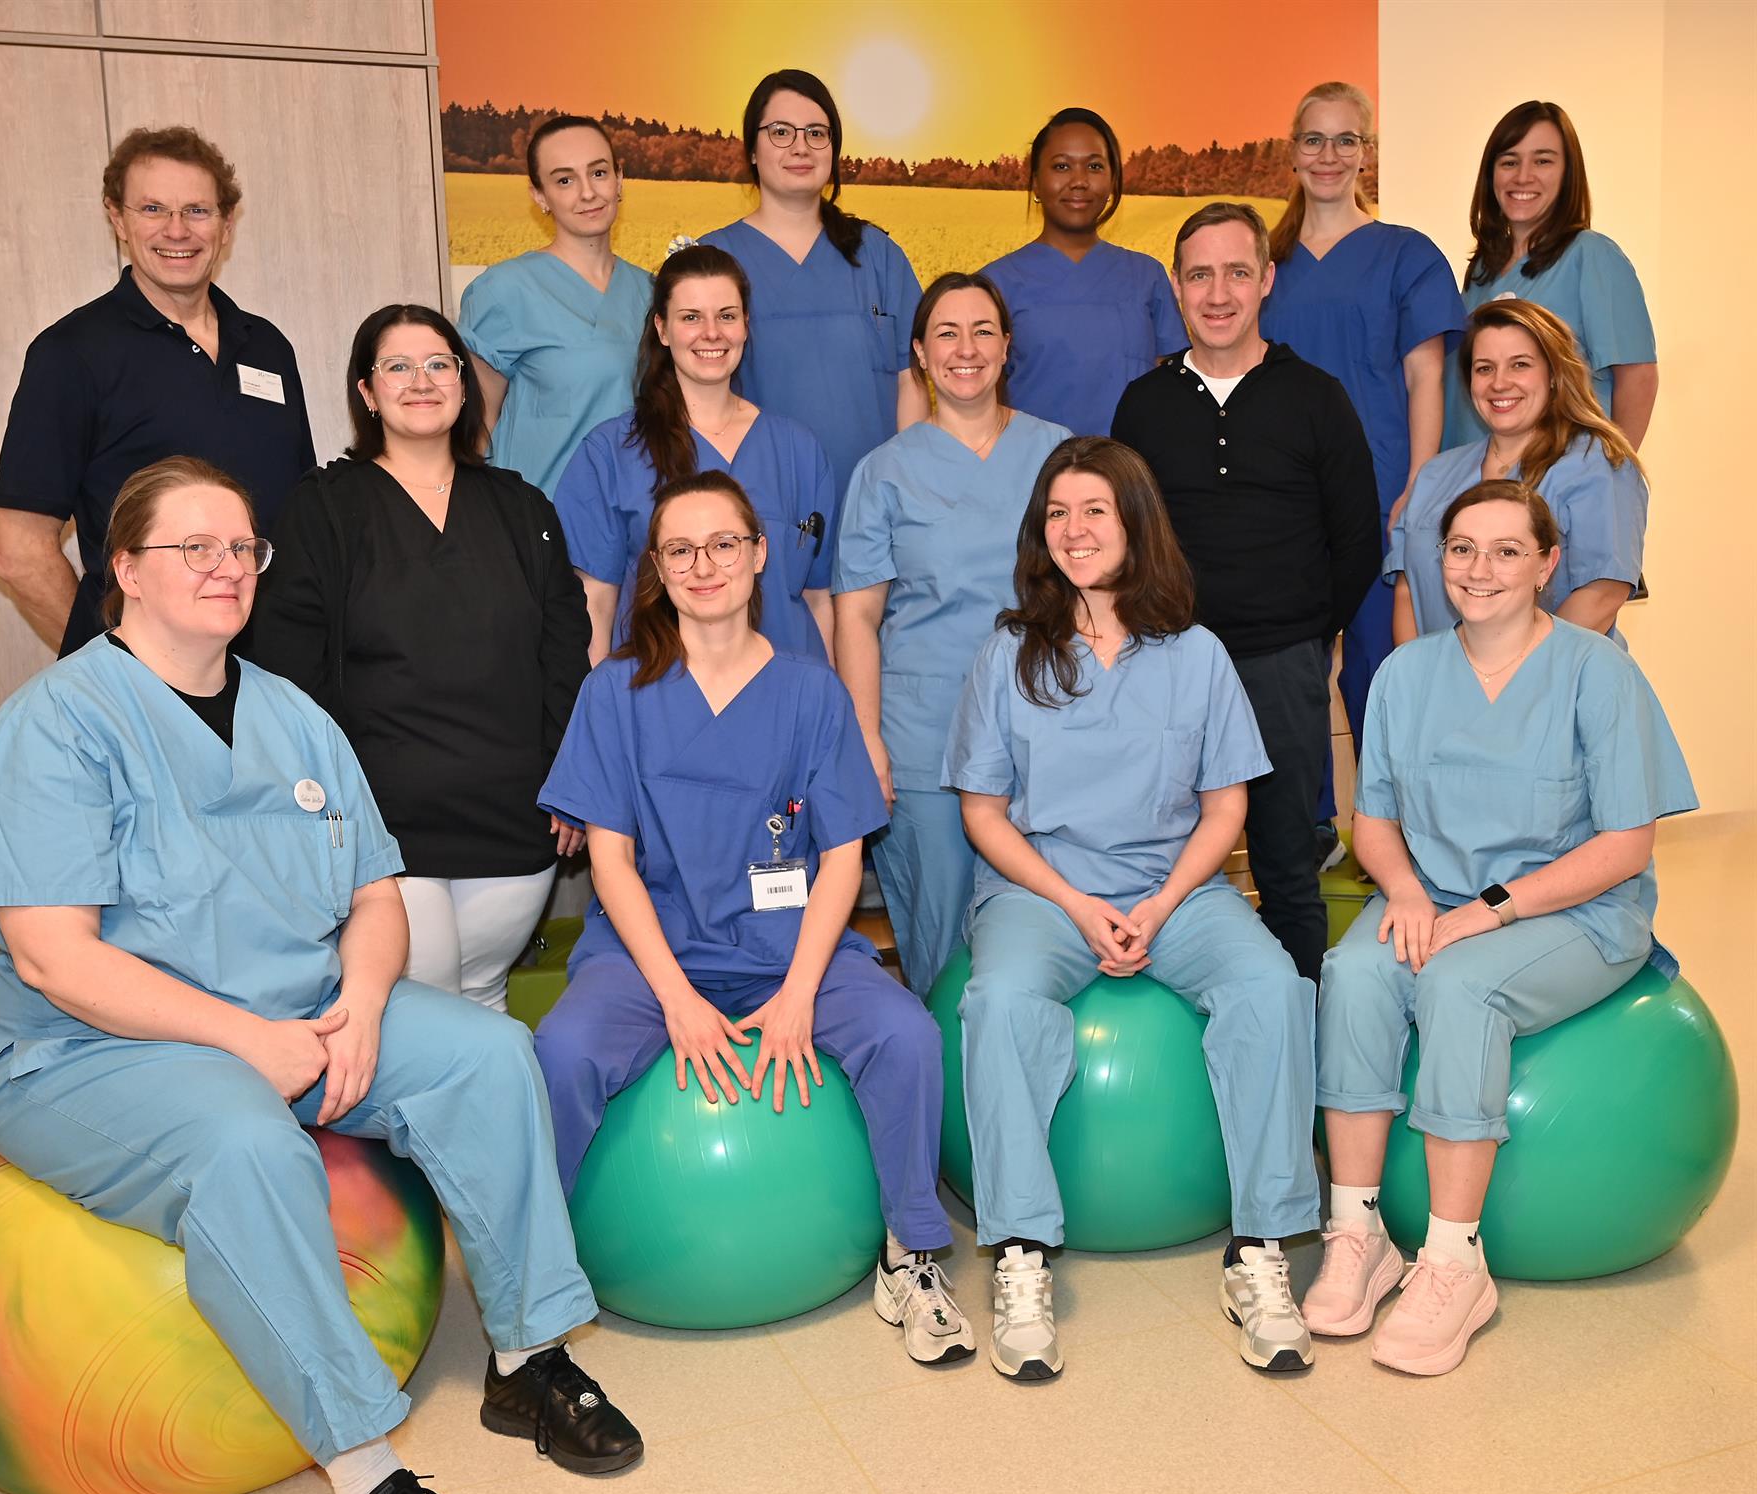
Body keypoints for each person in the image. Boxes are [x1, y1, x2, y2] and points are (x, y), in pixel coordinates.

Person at [0, 457, 642, 1494]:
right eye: (195, 547)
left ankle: (527, 1358)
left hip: (302, 1010)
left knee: (487, 1055)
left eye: (243, 547)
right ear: (123, 567)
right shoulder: (58, 722)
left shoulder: (293, 715)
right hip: (90, 1050)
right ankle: (365, 1473)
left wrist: (363, 1002)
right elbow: (53, 958)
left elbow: (375, 896)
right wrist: (245, 1039)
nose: (227, 567)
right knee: (249, 1148)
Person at [531, 471, 972, 1368]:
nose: (704, 565)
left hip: (786, 946)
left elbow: (842, 856)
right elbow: (609, 863)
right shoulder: (615, 693)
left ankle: (911, 1251)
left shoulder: (811, 693)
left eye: (724, 543)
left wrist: (802, 993)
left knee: (907, 1036)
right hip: (651, 952)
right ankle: (539, 1275)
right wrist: (678, 1001)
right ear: (657, 567)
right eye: (681, 549)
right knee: (564, 1054)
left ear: (760, 553)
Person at [947, 438, 1320, 1381]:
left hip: (1176, 889)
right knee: (998, 1003)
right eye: (1058, 514)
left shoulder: (1196, 654)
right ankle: (1021, 1253)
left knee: (1273, 989)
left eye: (1095, 512)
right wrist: (1076, 903)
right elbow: (983, 814)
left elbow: (1225, 808)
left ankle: (1259, 1249)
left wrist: (1159, 905)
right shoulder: (1009, 653)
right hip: (1043, 890)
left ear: (1135, 524)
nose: (1074, 531)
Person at [1304, 480, 1694, 1375]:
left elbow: (1626, 845)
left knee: (1459, 986)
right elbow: (1375, 819)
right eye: (1462, 548)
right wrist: (1403, 890)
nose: (1480, 569)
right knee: (1354, 974)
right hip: (1434, 899)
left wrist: (1492, 909)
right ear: (1439, 559)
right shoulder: (1405, 674)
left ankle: (1454, 1259)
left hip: (1574, 912)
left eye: (1507, 550)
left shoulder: (1597, 672)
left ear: (1547, 564)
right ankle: (1359, 1235)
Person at [249, 304, 590, 1012]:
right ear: (367, 392)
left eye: (439, 364)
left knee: (485, 998)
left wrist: (570, 778)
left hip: (512, 815)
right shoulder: (324, 508)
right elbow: (287, 668)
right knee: (427, 1008)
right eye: (397, 367)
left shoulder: (523, 509)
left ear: (464, 384)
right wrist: (322, 803)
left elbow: (564, 652)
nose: (421, 380)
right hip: (383, 822)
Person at [1112, 203, 1379, 983]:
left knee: (1288, 866)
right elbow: (1127, 540)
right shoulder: (1143, 404)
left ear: (1266, 279)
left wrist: (1304, 636)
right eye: (1200, 275)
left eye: (1237, 272)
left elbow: (1357, 541)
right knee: (1156, 859)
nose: (1218, 292)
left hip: (1281, 669)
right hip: (1167, 668)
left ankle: (1297, 1030)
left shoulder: (1318, 397)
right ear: (1176, 285)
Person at [0, 125, 315, 656]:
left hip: (277, 671)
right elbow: (18, 553)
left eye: (197, 210)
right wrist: (117, 669)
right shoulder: (70, 354)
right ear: (117, 219)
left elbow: (300, 523)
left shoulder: (268, 348)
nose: (176, 230)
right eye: (152, 209)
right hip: (149, 680)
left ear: (227, 223)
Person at [835, 273, 1072, 996]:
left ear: (1006, 346)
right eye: (946, 333)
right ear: (919, 354)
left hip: (1045, 730)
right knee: (939, 944)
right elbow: (857, 616)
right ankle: (945, 1071)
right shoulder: (884, 472)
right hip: (924, 739)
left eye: (982, 331)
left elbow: (1095, 596)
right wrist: (867, 739)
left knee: (1047, 932)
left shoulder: (1059, 456)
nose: (965, 349)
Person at [1260, 82, 1466, 867]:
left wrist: (1420, 484)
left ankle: (1394, 828)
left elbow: (1425, 377)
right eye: (1314, 139)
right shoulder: (1268, 264)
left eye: (1346, 140)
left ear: (1366, 153)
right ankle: (1310, 824)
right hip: (1288, 501)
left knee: (1384, 665)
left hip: (1382, 490)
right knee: (1295, 668)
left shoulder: (1407, 255)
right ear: (1292, 151)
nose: (1329, 155)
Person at [555, 244, 836, 664]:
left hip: (788, 690)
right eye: (691, 317)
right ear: (662, 329)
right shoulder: (610, 453)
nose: (712, 333)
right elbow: (596, 604)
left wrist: (826, 695)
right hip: (660, 689)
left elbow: (818, 599)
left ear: (745, 324)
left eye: (727, 316)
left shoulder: (799, 450)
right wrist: (598, 697)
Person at [701, 69, 925, 508]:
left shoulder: (878, 255)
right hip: (751, 506)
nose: (800, 147)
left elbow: (910, 380)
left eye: (816, 133)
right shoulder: (713, 260)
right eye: (781, 132)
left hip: (872, 505)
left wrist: (907, 492)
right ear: (752, 149)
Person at [1392, 299, 1646, 645]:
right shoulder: (1435, 475)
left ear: (1554, 375)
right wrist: (1419, 674)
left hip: (1555, 675)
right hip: (1438, 677)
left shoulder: (1597, 464)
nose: (1499, 383)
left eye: (1520, 365)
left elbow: (1602, 594)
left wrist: (1515, 673)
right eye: (1484, 368)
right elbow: (1407, 592)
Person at [1441, 101, 1657, 452]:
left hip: (1556, 475)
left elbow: (1639, 378)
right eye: (1509, 161)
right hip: (1473, 474)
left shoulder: (1592, 256)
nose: (1523, 176)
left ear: (1568, 174)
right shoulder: (1481, 271)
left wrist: (1611, 472)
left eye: (1543, 161)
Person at [457, 115, 651, 498]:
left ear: (619, 179)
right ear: (540, 196)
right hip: (542, 516)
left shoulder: (653, 291)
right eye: (564, 180)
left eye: (599, 173)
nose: (587, 193)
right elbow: (477, 428)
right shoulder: (504, 291)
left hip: (637, 513)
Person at [981, 107, 1187, 438]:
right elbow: (980, 405)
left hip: (1131, 466)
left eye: (1094, 166)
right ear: (1035, 182)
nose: (1079, 181)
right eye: (1061, 166)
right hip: (1031, 467)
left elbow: (1173, 396)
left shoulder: (1147, 277)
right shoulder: (994, 285)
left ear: (1113, 180)